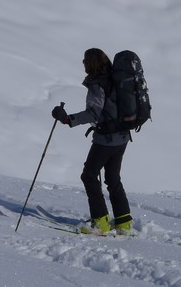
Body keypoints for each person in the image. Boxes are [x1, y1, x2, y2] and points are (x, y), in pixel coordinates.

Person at [51, 48, 133, 235]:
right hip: (122, 137)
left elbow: (93, 113)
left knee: (89, 175)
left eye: (85, 61)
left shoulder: (98, 84)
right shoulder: (117, 79)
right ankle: (124, 223)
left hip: (106, 139)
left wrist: (67, 119)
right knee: (113, 179)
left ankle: (100, 223)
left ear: (90, 64)